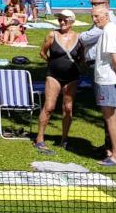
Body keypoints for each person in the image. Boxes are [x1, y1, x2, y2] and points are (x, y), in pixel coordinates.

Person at [34, 10, 84, 154]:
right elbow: (43, 52)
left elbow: (82, 57)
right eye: (60, 20)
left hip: (72, 77)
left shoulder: (79, 38)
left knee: (68, 108)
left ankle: (64, 139)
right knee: (49, 106)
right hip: (53, 75)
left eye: (65, 20)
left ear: (72, 22)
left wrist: (78, 66)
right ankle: (40, 138)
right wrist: (51, 62)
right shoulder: (52, 35)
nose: (61, 22)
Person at [90, 3, 116, 166]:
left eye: (97, 16)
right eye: (93, 16)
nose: (94, 20)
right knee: (112, 118)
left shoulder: (108, 31)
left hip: (107, 80)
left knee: (110, 119)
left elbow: (115, 59)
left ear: (106, 16)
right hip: (112, 80)